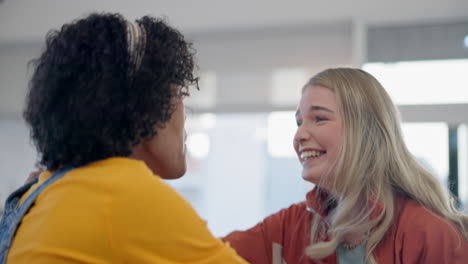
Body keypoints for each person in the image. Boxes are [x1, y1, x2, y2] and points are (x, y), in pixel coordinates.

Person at [0, 13, 248, 264]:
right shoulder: (122, 195)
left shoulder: (44, 192)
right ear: (144, 107)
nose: (185, 116)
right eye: (180, 95)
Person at [224, 68, 468, 263]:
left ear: (364, 131)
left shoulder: (428, 233)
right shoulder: (290, 227)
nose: (299, 135)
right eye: (299, 122)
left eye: (319, 118)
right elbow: (200, 254)